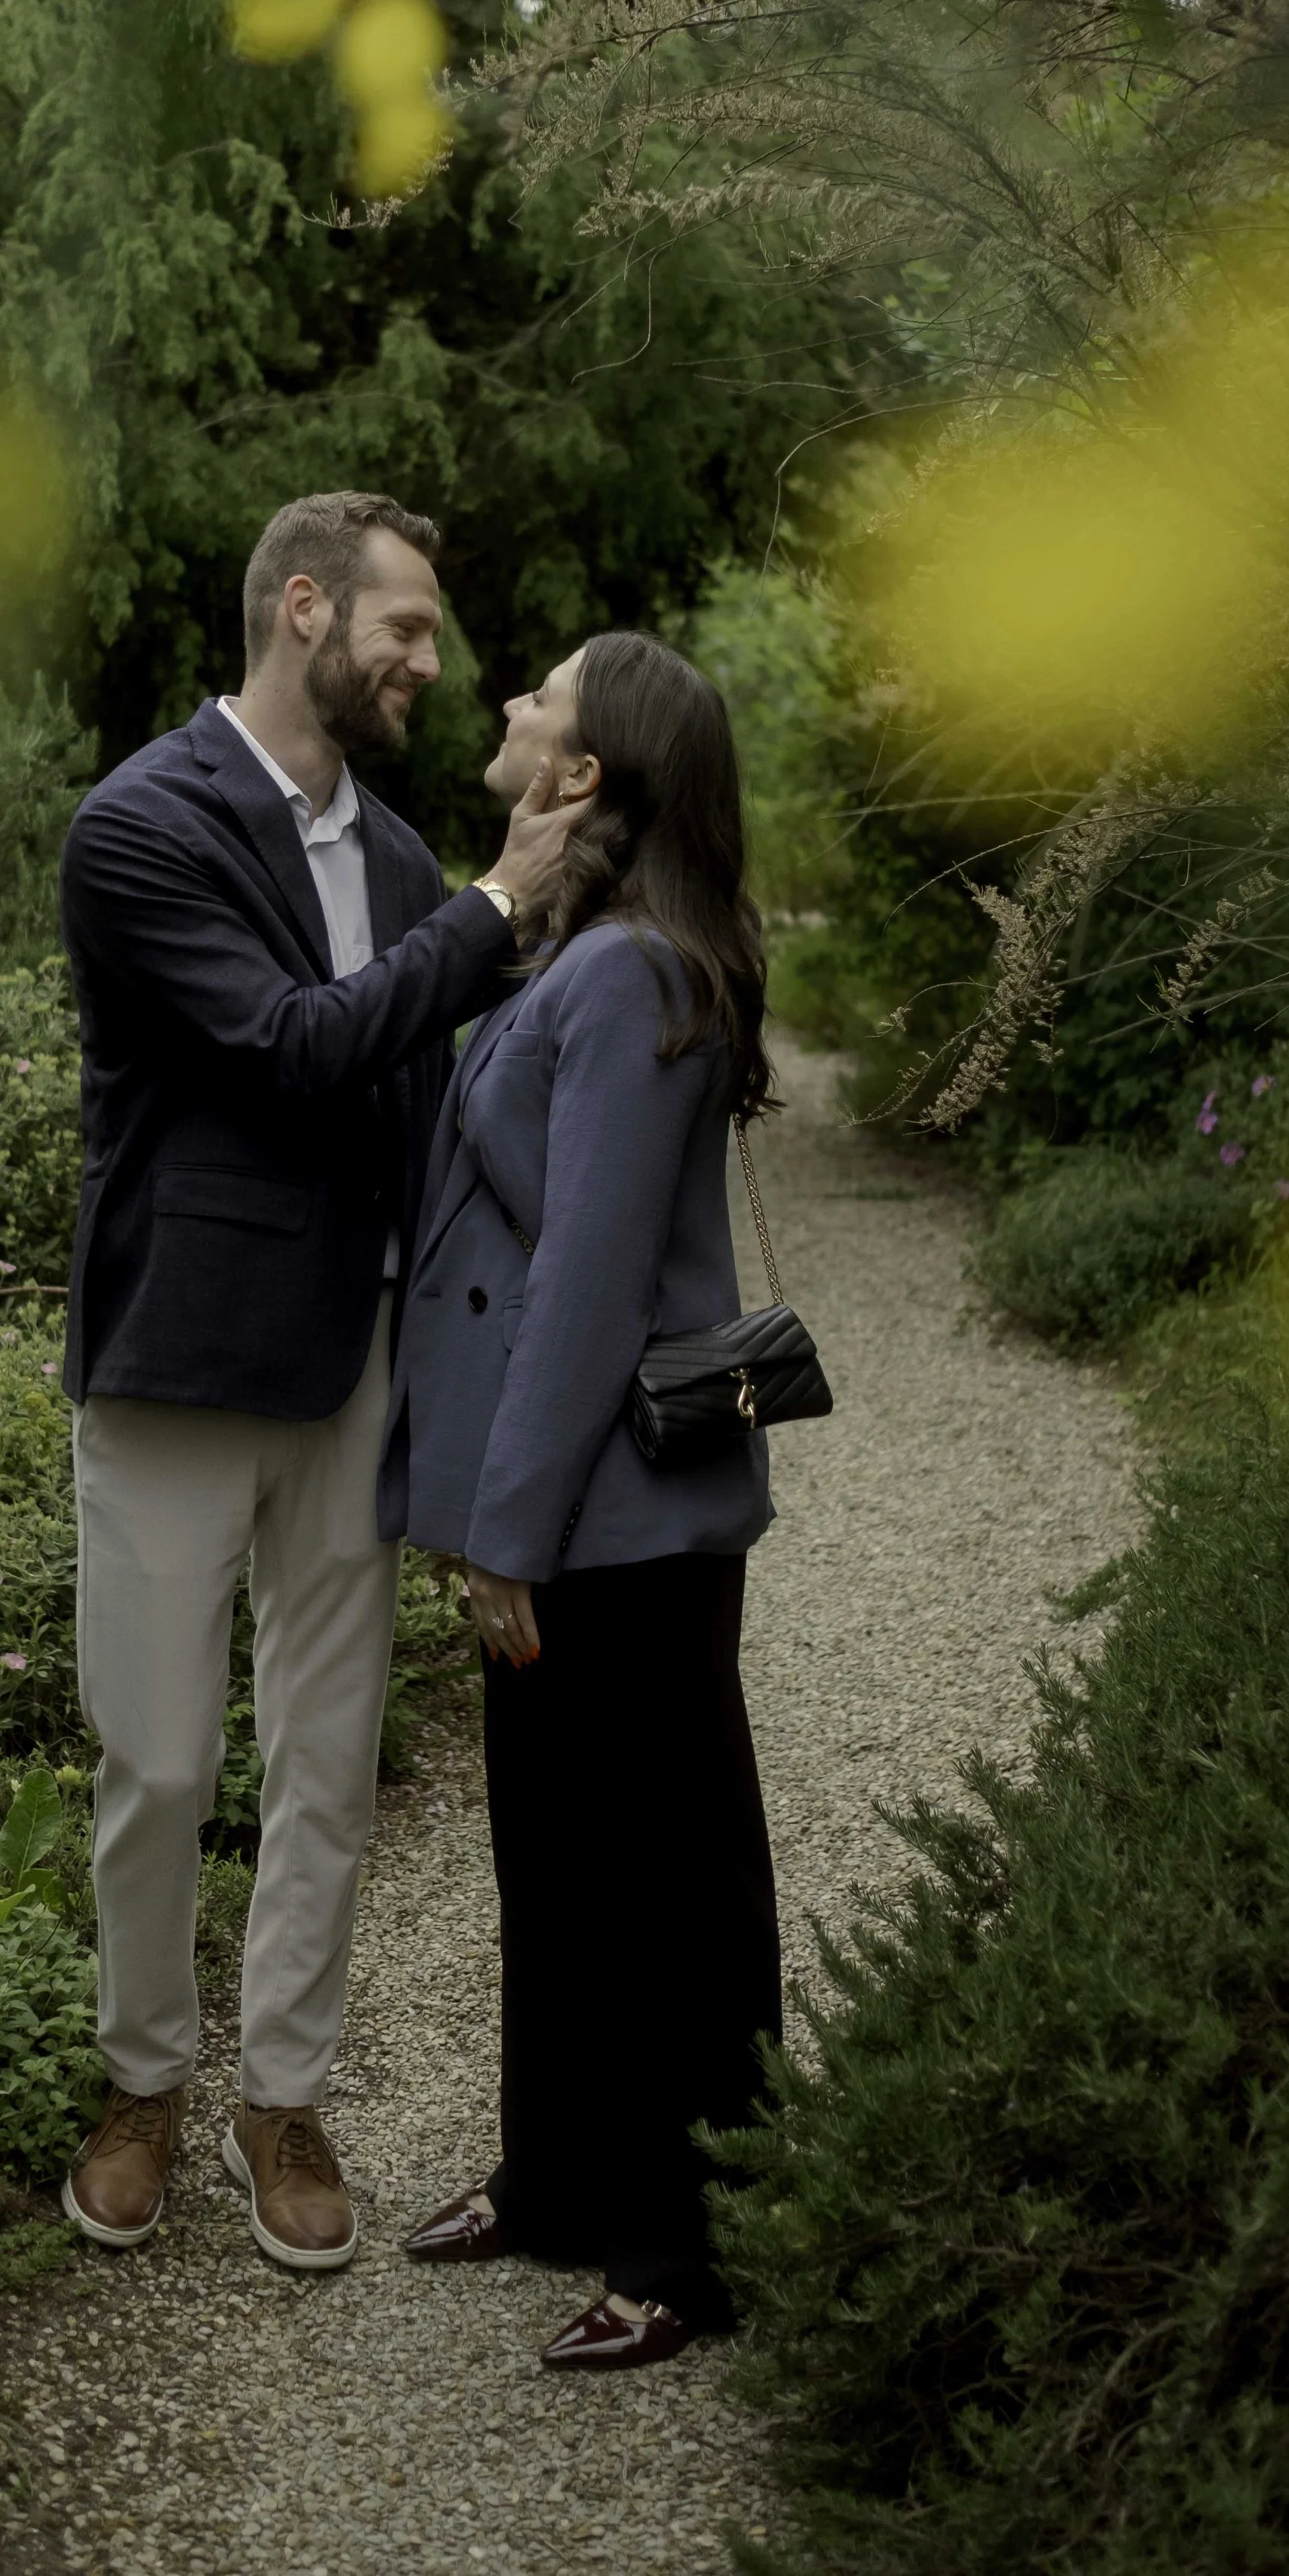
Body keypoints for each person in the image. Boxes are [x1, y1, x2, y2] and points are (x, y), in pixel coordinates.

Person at [57, 489, 581, 2273]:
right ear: (303, 612)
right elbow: (292, 1053)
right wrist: (495, 910)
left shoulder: (411, 857)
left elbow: (425, 1118)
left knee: (327, 1762)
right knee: (154, 1759)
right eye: (406, 628)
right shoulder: (141, 826)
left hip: (356, 1374)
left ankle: (282, 2096)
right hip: (178, 1371)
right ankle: (143, 2086)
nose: (431, 664)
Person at [379, 629, 780, 2368]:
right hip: (569, 1504)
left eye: (535, 693)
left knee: (663, 1883)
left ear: (589, 766)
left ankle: (689, 2251)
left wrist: (502, 1529)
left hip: (615, 1518)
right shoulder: (579, 954)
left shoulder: (630, 978)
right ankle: (552, 2183)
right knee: (549, 1858)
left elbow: (593, 1281)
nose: (506, 704)